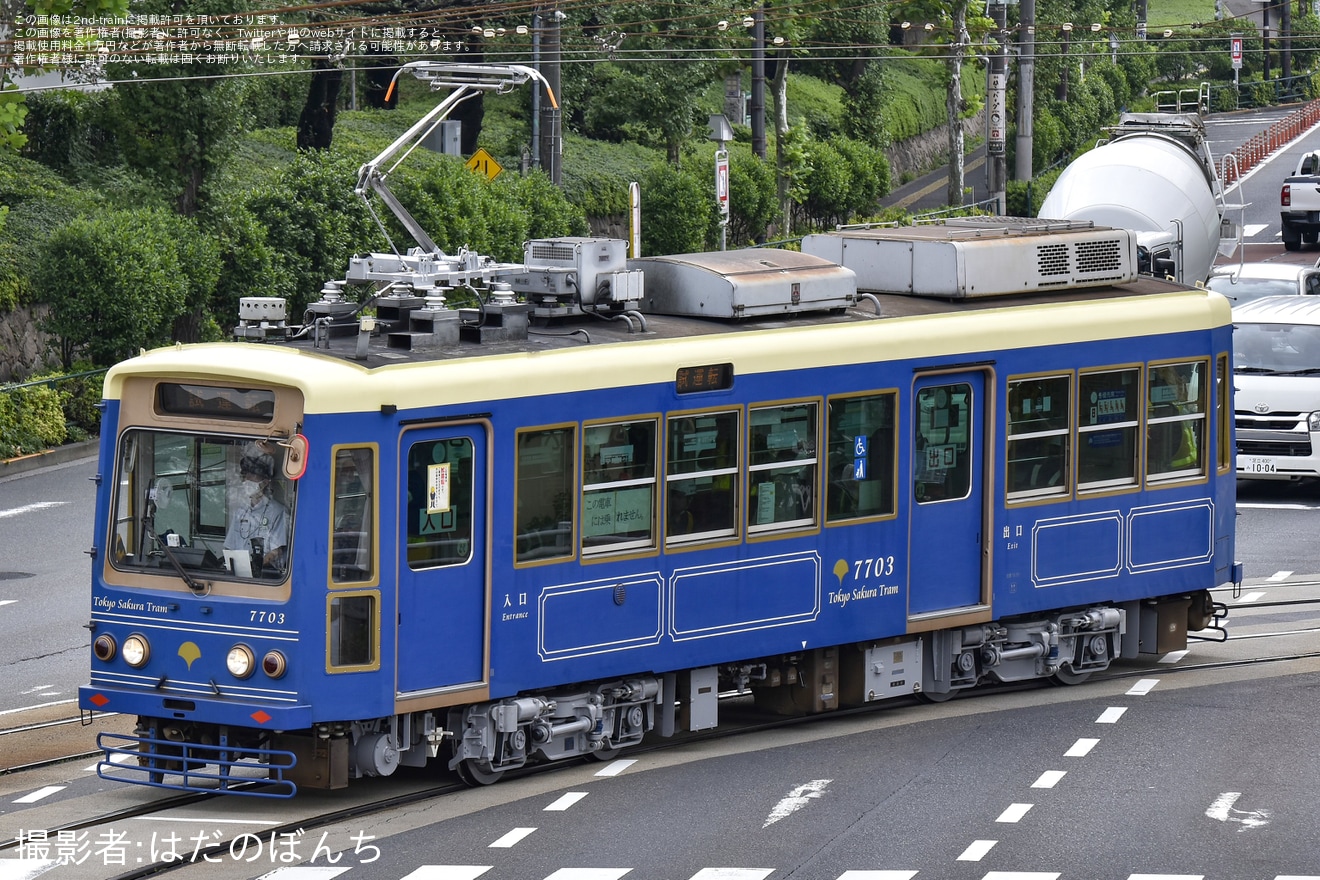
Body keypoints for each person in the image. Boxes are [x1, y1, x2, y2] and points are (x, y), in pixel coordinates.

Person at [224, 449, 289, 574]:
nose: (247, 479)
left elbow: (276, 551)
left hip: (265, 574)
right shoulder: (241, 511)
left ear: (265, 482)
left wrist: (255, 567)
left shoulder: (278, 511)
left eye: (253, 476)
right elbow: (229, 546)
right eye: (246, 475)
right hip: (237, 573)